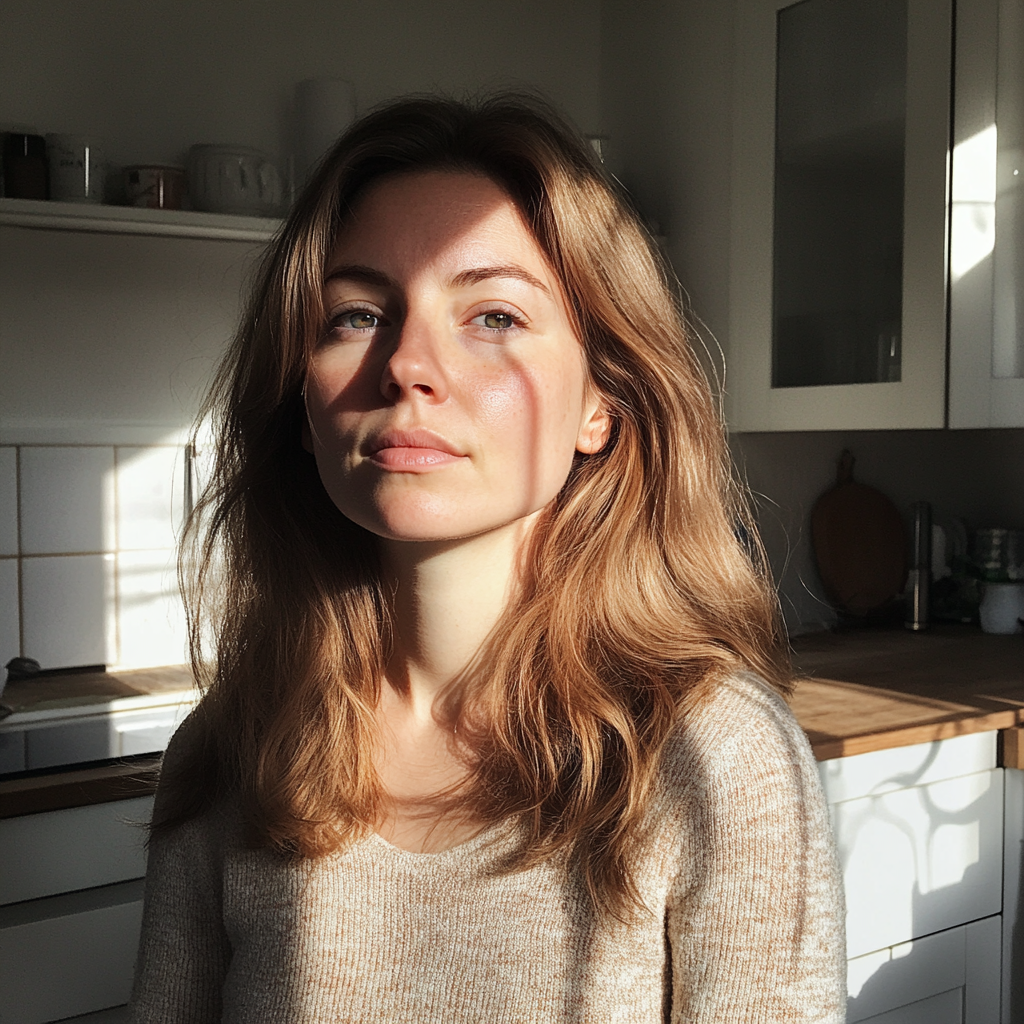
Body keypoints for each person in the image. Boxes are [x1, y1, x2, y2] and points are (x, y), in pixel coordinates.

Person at [128, 94, 846, 1023]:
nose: (407, 366)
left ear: (602, 404)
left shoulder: (715, 758)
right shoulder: (233, 752)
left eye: (495, 316)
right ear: (302, 410)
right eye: (355, 315)